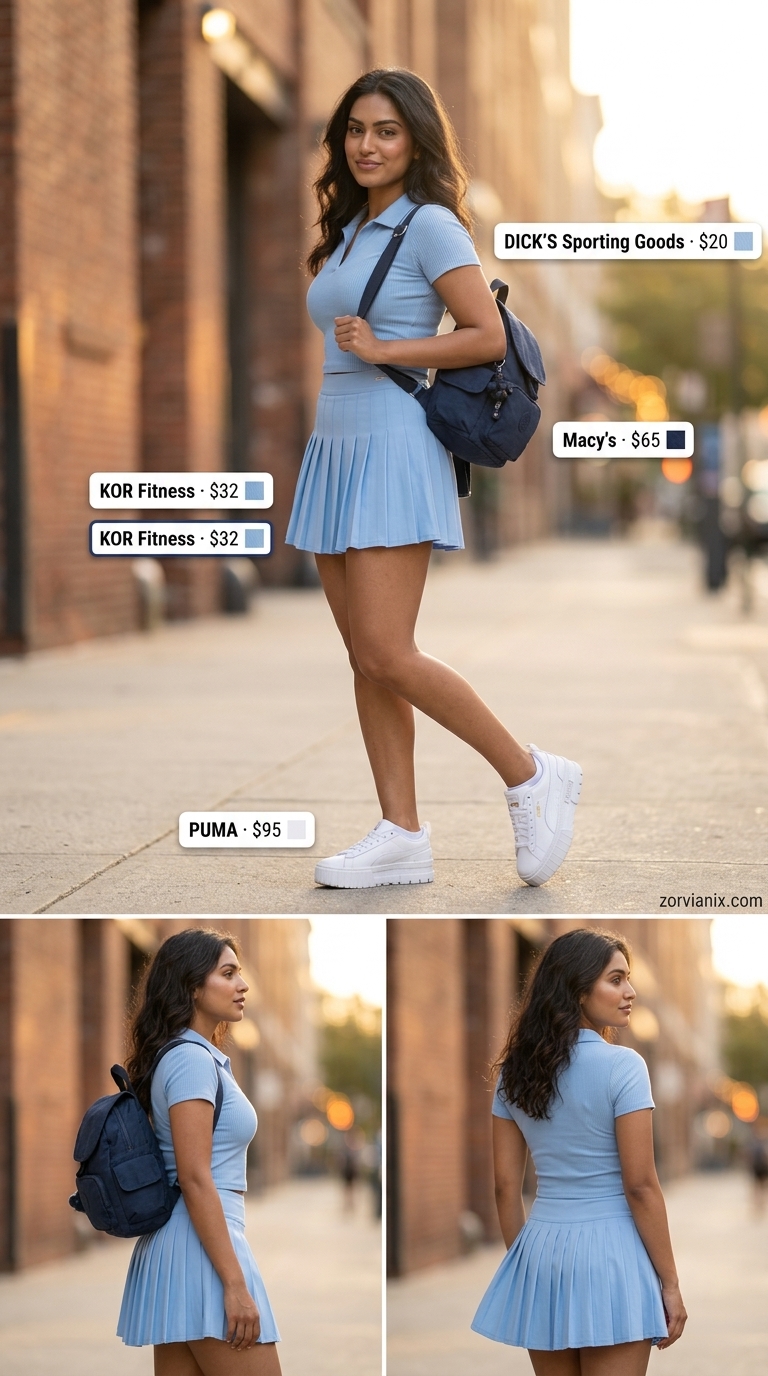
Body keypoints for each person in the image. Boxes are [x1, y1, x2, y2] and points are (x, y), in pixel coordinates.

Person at [286, 67, 582, 890]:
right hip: (336, 441)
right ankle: (401, 833)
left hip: (390, 443)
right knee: (363, 658)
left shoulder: (431, 225)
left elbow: (485, 335)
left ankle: (528, 772)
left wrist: (388, 350)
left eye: (385, 130)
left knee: (388, 649)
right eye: (355, 130)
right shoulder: (351, 225)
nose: (367, 144)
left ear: (416, 138)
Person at [471, 927, 687, 1375]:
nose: (630, 991)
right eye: (615, 979)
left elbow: (505, 1187)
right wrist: (670, 1282)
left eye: (628, 979)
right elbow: (641, 1186)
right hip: (614, 1257)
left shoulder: (515, 1073)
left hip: (542, 1254)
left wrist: (523, 1267)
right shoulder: (624, 1065)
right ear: (577, 987)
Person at [117, 928, 281, 1376]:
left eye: (239, 973)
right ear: (192, 986)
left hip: (185, 1248)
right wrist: (234, 1283)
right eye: (228, 974)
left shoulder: (190, 1057)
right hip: (202, 1251)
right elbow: (194, 1176)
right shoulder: (190, 1060)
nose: (242, 985)